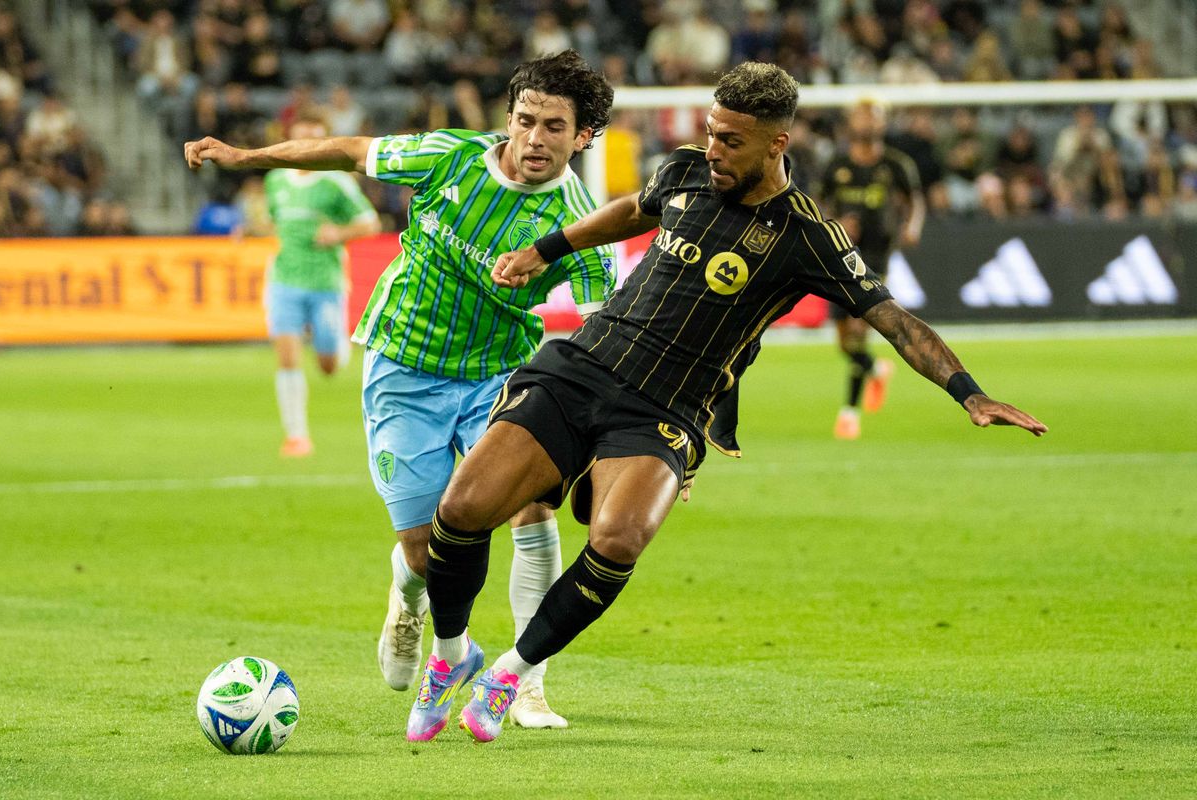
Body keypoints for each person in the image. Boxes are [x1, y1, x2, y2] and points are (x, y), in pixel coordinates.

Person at [415, 61, 1046, 745]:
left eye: (731, 141)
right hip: (584, 367)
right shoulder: (686, 170)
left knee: (618, 538)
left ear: (776, 144)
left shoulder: (808, 236)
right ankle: (450, 658)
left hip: (666, 408)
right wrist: (546, 248)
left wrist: (970, 392)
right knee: (460, 510)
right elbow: (634, 210)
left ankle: (512, 671)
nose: (713, 149)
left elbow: (894, 321)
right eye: (711, 133)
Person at [183, 50, 617, 732]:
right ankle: (409, 600)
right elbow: (348, 150)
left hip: (498, 376)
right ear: (508, 118)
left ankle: (526, 682)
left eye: (554, 127)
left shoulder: (584, 228)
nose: (535, 138)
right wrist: (248, 156)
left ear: (583, 137)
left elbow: (603, 330)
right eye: (526, 120)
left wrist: (602, 423)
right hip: (403, 366)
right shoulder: (446, 156)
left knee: (532, 515)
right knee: (424, 542)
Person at [261, 109, 380, 456]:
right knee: (286, 355)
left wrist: (338, 233)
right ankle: (296, 435)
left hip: (326, 281)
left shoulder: (336, 181)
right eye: (301, 137)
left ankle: (336, 347)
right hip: (284, 278)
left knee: (328, 366)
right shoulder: (276, 179)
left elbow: (369, 222)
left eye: (315, 137)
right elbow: (274, 221)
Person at [819, 100, 925, 440]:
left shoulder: (895, 164)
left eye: (874, 116)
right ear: (851, 122)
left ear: (881, 124)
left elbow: (914, 200)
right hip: (839, 256)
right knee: (843, 342)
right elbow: (818, 204)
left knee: (858, 328)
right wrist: (834, 224)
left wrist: (912, 226)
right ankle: (876, 369)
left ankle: (849, 413)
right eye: (862, 116)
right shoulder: (836, 164)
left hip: (876, 257)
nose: (868, 122)